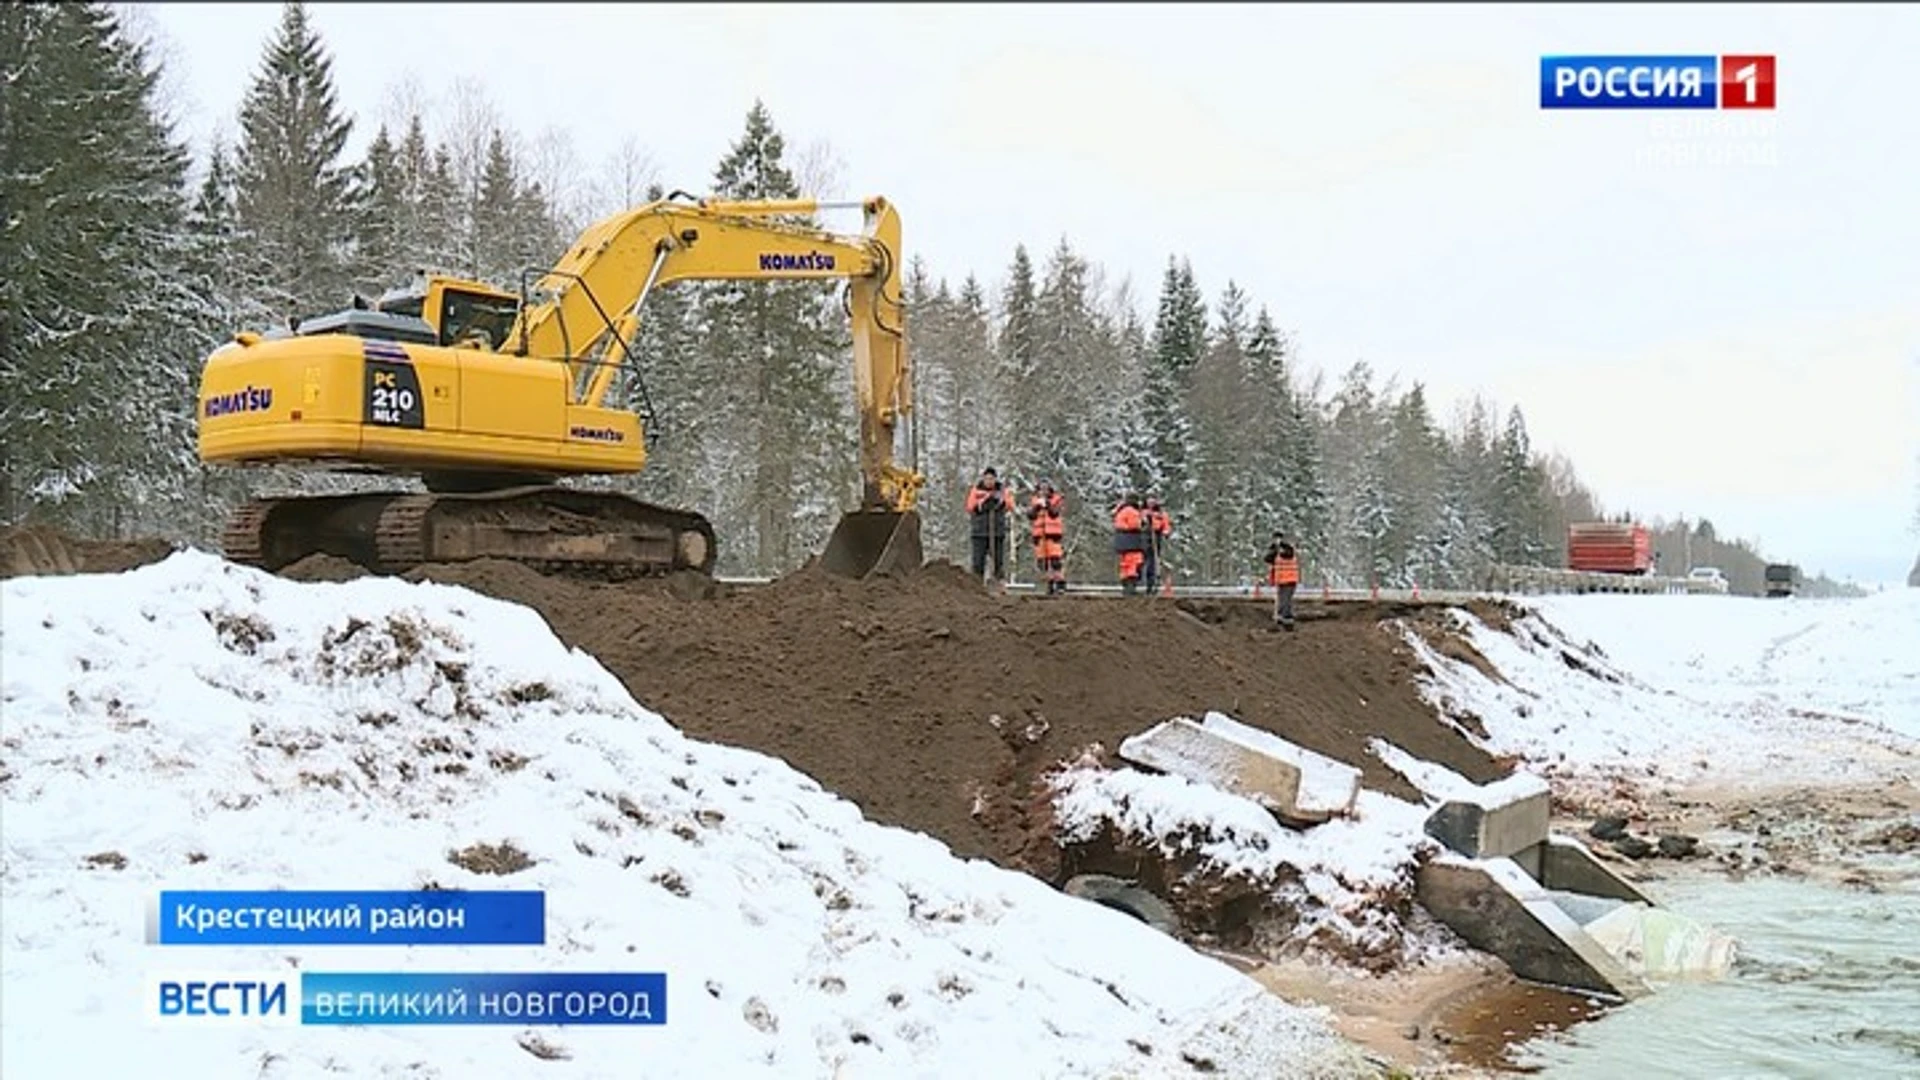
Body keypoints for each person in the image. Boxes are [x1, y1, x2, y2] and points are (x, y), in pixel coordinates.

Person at [964, 467, 1015, 584]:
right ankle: (976, 583)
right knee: (978, 561)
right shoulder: (976, 490)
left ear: (995, 479)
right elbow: (970, 506)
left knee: (998, 560)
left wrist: (1000, 504)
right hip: (979, 531)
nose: (989, 481)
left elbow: (1010, 505)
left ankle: (999, 581)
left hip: (997, 530)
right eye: (987, 479)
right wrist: (982, 505)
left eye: (991, 479)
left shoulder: (1002, 491)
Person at [1026, 480, 1067, 595]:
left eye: (1046, 489)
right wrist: (1037, 507)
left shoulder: (1057, 500)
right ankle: (1049, 584)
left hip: (1053, 535)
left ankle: (1060, 583)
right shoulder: (1034, 501)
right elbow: (1030, 515)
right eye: (1041, 489)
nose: (1043, 492)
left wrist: (1048, 505)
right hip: (1039, 536)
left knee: (1055, 560)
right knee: (1042, 562)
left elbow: (1055, 513)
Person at [1262, 530, 1300, 630]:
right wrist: (1273, 549)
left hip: (1289, 579)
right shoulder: (1276, 550)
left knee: (1285, 600)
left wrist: (1280, 548)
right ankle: (1280, 619)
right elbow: (1267, 559)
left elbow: (1287, 554)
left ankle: (1287, 620)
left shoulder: (1288, 548)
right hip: (1281, 580)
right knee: (1281, 600)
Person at [1112, 494, 1147, 595]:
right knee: (1134, 563)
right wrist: (1143, 522)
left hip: (1122, 542)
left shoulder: (1121, 510)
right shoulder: (1132, 511)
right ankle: (1131, 587)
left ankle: (1126, 586)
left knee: (1125, 564)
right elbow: (1135, 525)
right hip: (1132, 541)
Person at [1141, 496, 1172, 594]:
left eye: (1153, 501)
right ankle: (1138, 580)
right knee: (1141, 560)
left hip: (1156, 537)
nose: (1151, 503)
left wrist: (1166, 532)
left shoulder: (1161, 514)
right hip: (1144, 536)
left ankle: (1151, 583)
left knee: (1153, 561)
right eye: (1149, 501)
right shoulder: (1141, 512)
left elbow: (1166, 525)